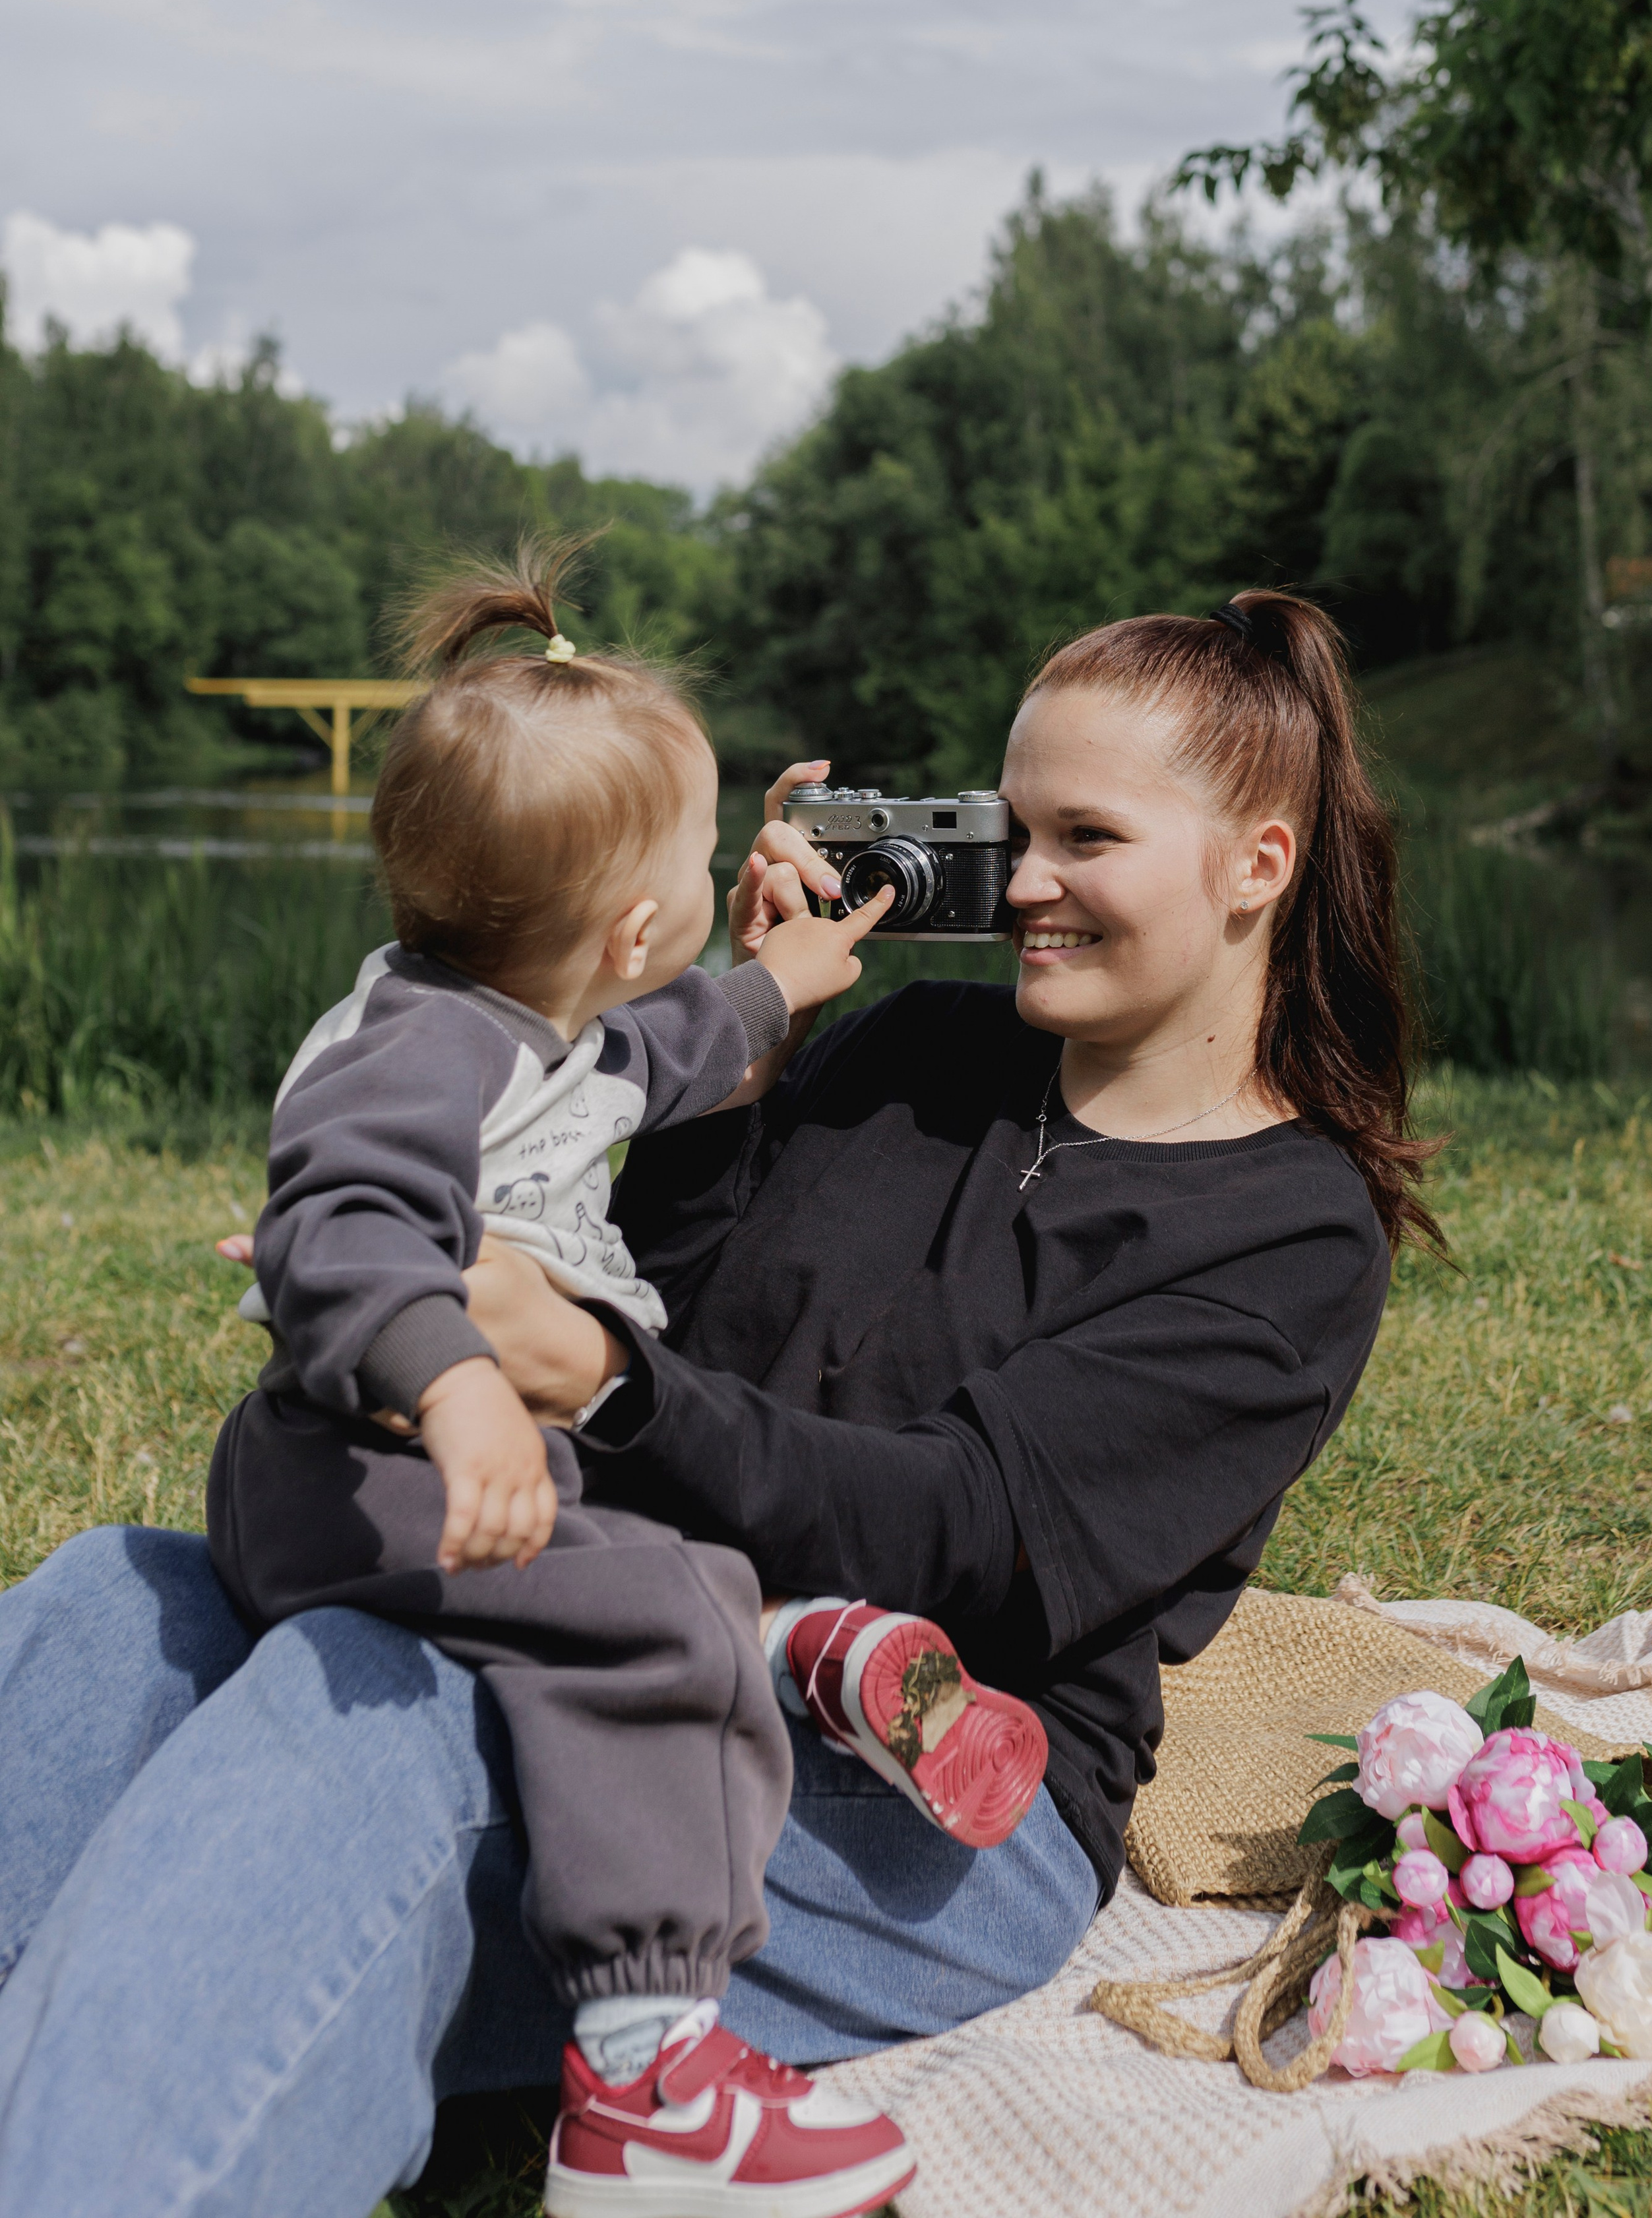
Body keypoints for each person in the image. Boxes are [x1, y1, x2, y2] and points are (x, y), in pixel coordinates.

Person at [0, 592, 1429, 2218]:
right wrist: (742, 1042)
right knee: (127, 1601)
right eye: (1012, 826)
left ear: (1255, 863)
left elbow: (955, 1530)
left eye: (1083, 837)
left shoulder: (1289, 1235)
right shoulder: (913, 1046)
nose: (1024, 883)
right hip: (624, 1609)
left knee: (376, 1704)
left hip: (925, 1785)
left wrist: (598, 1388)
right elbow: (675, 1288)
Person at [206, 547, 1036, 2218]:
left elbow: (647, 1057)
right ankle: (649, 2066)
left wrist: (781, 987)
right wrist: (448, 1384)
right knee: (644, 1626)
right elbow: (348, 1225)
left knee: (667, 1565)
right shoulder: (418, 1051)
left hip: (434, 1448)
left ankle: (776, 1639)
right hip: (367, 1460)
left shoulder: (525, 1013)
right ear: (627, 925)